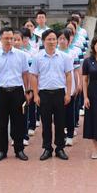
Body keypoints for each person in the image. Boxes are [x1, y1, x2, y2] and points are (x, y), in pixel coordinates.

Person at [0, 27, 31, 162]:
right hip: (1, 92)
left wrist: (28, 91)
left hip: (17, 91)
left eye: (11, 38)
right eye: (5, 38)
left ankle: (19, 150)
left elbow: (25, 74)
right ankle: (2, 150)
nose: (8, 41)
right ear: (0, 39)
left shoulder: (21, 55)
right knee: (2, 123)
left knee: (18, 123)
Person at [30, 29, 71, 161]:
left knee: (60, 122)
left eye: (54, 39)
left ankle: (60, 148)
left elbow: (68, 75)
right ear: (43, 41)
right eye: (49, 39)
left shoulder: (64, 57)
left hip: (60, 93)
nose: (52, 42)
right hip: (44, 94)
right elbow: (34, 76)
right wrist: (36, 95)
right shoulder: (37, 57)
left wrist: (68, 93)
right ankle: (47, 148)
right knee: (45, 123)